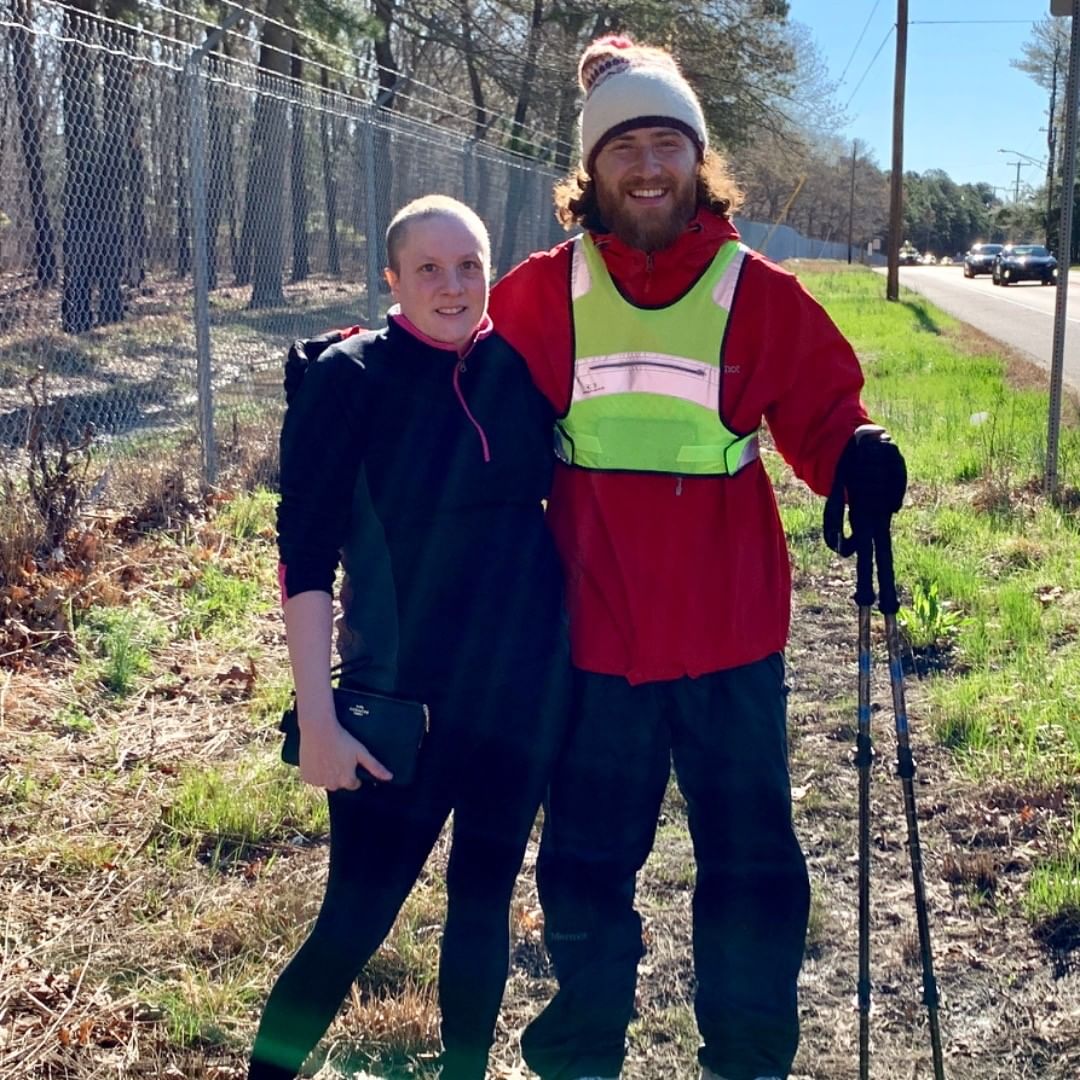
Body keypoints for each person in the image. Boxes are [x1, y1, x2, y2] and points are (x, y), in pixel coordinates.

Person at [488, 35, 907, 1080]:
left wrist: (852, 453)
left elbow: (819, 405)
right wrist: (372, 379)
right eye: (623, 145)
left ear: (698, 160)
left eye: (666, 143)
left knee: (754, 866)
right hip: (595, 636)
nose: (646, 166)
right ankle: (582, 1051)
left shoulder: (750, 289)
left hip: (729, 631)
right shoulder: (544, 293)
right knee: (584, 866)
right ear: (591, 170)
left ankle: (750, 1055)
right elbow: (469, 413)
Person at [248, 195, 569, 1080]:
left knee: (481, 909)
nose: (453, 285)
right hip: (397, 715)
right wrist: (318, 717)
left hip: (517, 708)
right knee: (351, 924)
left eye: (470, 265)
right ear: (391, 278)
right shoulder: (349, 379)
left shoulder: (518, 370)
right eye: (428, 268)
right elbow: (304, 556)